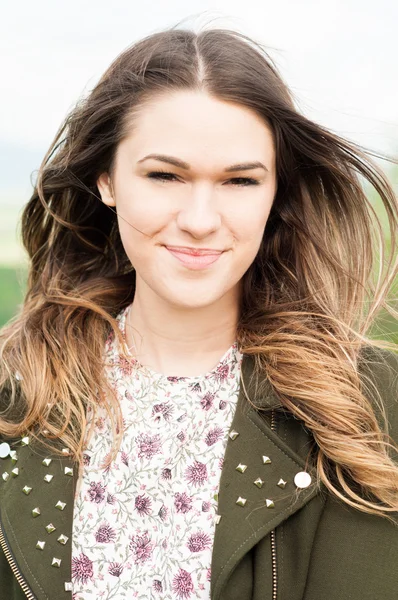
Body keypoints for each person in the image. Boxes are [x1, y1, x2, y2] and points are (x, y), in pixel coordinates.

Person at [0, 25, 397, 600]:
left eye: (239, 180)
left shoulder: (363, 407)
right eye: (165, 175)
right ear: (106, 178)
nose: (200, 219)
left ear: (275, 192)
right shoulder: (15, 396)